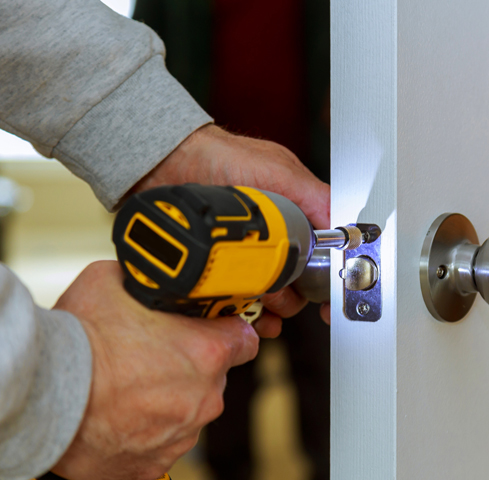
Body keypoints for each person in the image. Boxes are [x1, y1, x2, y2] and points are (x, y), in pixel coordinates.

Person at [0, 1, 330, 479]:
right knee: (231, 388)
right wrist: (54, 386)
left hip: (279, 186)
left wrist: (166, 141)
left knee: (312, 373)